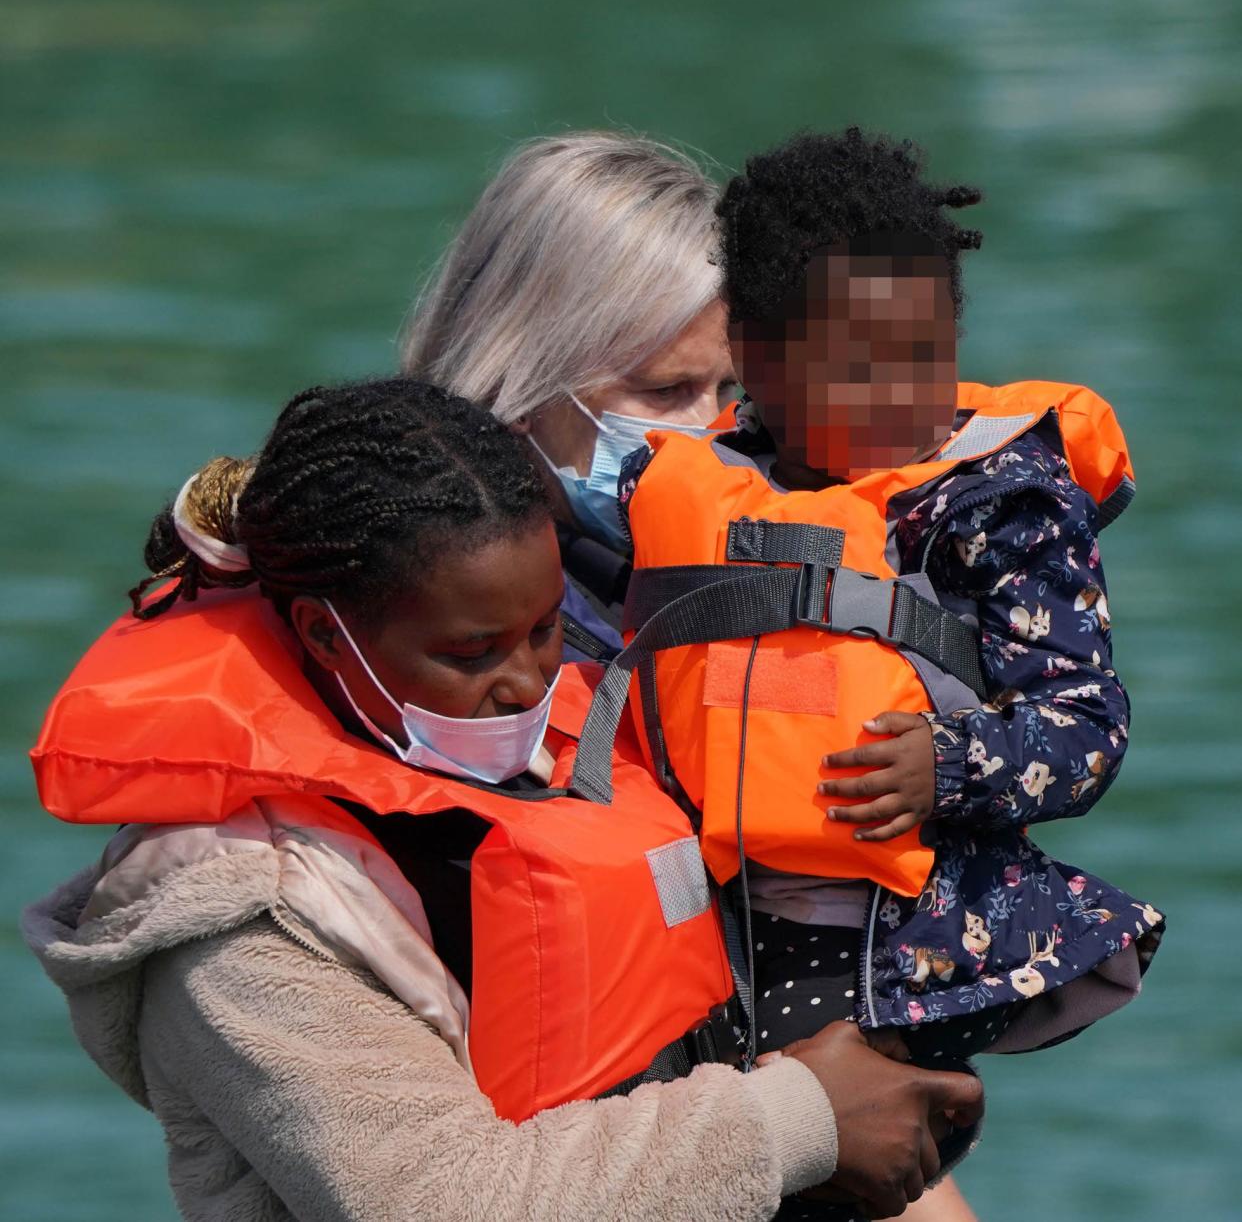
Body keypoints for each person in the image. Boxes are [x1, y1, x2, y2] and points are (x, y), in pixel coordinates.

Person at [24, 378, 983, 1222]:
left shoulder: (572, 751)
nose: (528, 683)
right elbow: (446, 1203)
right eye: (473, 653)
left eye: (541, 630)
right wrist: (805, 1116)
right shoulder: (239, 921)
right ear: (323, 635)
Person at [605, 129, 1166, 1214]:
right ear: (755, 359)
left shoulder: (1000, 503)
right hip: (709, 922)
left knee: (811, 1165)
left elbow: (1087, 723)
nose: (905, 395)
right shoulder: (691, 480)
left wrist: (950, 764)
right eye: (859, 367)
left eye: (929, 354)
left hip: (895, 941)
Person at [400, 131, 739, 660]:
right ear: (511, 383)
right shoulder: (423, 629)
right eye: (665, 389)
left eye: (729, 390)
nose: (717, 431)